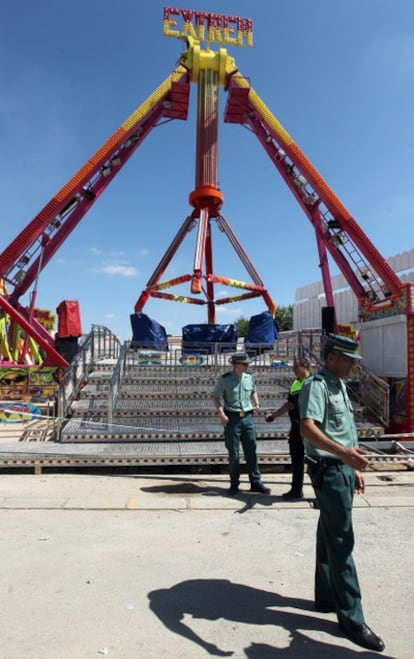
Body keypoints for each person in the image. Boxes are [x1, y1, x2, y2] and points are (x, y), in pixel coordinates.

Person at [299, 334, 385, 653]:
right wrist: (344, 456)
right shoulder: (317, 385)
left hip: (342, 468)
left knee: (329, 531)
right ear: (332, 357)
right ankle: (351, 618)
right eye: (348, 359)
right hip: (330, 470)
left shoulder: (339, 385)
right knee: (341, 540)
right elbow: (307, 427)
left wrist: (355, 467)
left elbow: (344, 430)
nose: (353, 365)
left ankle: (326, 597)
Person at [212, 352, 270, 496]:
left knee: (251, 451)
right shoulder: (225, 379)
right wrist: (221, 414)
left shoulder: (249, 377)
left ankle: (256, 483)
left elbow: (253, 391)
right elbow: (215, 397)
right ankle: (234, 484)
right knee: (234, 453)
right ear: (236, 365)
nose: (247, 365)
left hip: (248, 417)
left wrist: (256, 403)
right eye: (244, 364)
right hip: (232, 418)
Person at [265, 357, 310, 499]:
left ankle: (322, 495)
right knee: (296, 460)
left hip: (311, 428)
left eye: (296, 367)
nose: (293, 370)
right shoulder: (296, 383)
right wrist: (274, 415)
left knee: (317, 462)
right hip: (297, 428)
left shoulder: (313, 383)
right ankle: (296, 489)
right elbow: (289, 404)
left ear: (305, 367)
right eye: (293, 368)